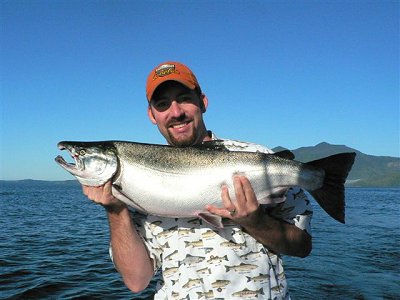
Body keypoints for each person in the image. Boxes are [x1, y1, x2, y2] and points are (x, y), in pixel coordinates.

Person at [82, 61, 313, 299]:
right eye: (162, 104)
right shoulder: (134, 190)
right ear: (152, 115)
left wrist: (256, 221)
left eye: (184, 98)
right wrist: (116, 210)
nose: (176, 112)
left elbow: (303, 246)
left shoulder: (257, 159)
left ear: (203, 102)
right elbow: (136, 281)